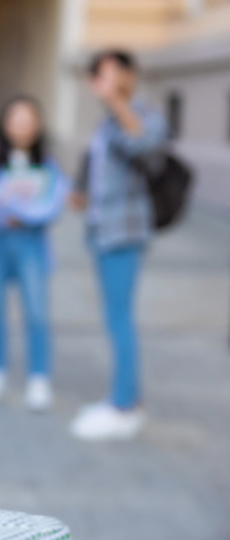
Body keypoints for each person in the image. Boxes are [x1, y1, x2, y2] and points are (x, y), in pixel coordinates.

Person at [69, 49, 168, 441]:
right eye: (97, 77)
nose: (101, 84)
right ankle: (128, 400)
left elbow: (145, 148)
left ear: (129, 75)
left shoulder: (146, 113)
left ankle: (123, 406)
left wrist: (118, 100)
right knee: (114, 317)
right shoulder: (108, 121)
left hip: (125, 231)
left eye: (108, 74)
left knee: (120, 319)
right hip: (102, 230)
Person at [0, 96, 69, 411]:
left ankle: (39, 377)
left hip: (31, 246)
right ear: (5, 123)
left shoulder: (48, 163)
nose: (22, 126)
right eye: (16, 119)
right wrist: (2, 210)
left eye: (28, 120)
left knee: (37, 313)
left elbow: (51, 204)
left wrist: (14, 210)